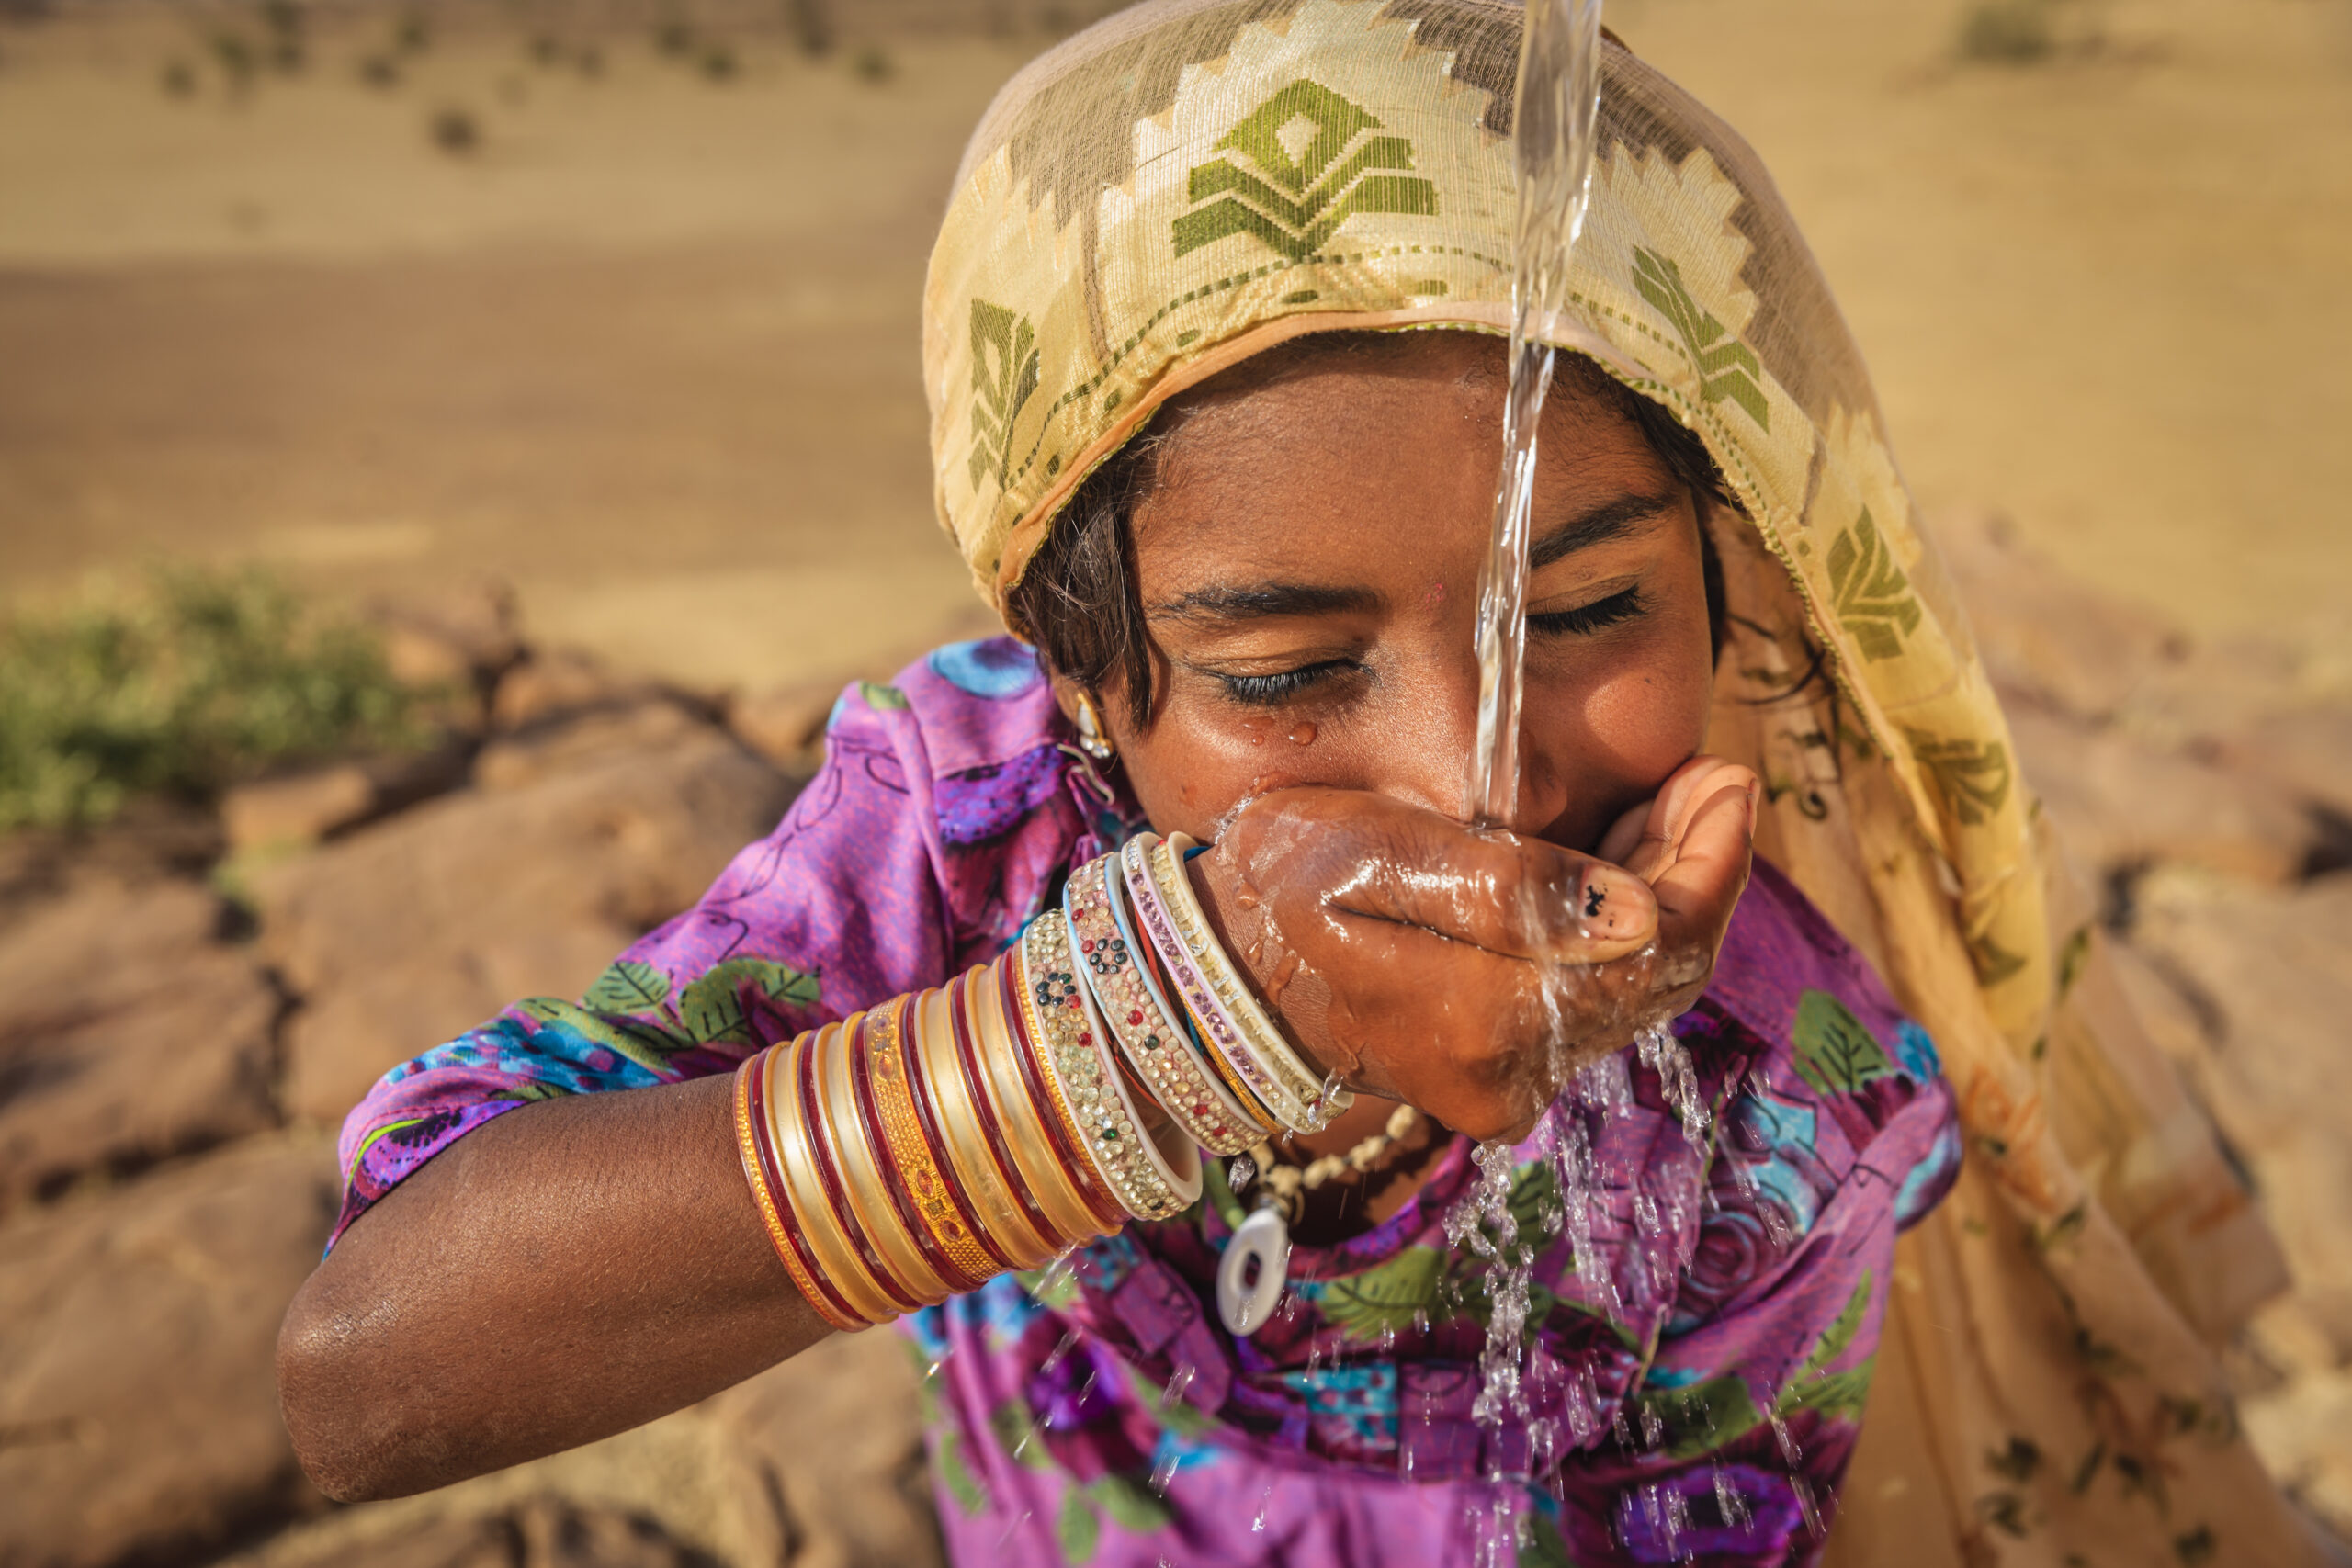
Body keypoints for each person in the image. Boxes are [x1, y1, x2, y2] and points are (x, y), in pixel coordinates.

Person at [277, 3, 2327, 1563]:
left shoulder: (1780, 1007)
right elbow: (371, 1366)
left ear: (1740, 574)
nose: (1473, 771)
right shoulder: (974, 833)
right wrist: (1169, 1028)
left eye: (1590, 604)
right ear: (1079, 670)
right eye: (1287, 671)